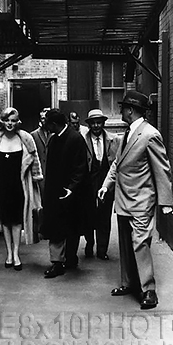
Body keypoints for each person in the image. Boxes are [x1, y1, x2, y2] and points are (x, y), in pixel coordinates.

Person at [98, 91, 173, 310]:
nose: (120, 111)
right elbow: (117, 164)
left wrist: (165, 201)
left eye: (122, 108)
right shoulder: (127, 133)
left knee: (140, 244)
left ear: (130, 110)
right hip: (123, 200)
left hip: (141, 200)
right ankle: (129, 283)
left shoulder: (150, 135)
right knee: (124, 245)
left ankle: (149, 290)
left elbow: (162, 168)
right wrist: (105, 186)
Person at [0, 107, 43, 271]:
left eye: (13, 121)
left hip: (20, 186)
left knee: (17, 220)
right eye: (7, 120)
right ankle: (8, 253)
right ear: (2, 121)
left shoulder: (26, 139)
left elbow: (35, 161)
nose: (10, 124)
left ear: (17, 122)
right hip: (0, 186)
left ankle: (16, 253)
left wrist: (36, 179)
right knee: (5, 220)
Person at [40, 109, 88, 278]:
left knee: (72, 228)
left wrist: (72, 188)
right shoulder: (54, 140)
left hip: (71, 194)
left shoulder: (75, 139)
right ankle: (57, 262)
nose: (44, 125)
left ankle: (70, 258)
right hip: (55, 193)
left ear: (54, 124)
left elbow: (81, 167)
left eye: (47, 122)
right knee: (56, 229)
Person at [81, 108, 119, 260]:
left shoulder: (114, 139)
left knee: (104, 217)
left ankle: (102, 249)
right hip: (88, 183)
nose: (96, 126)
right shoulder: (82, 140)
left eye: (99, 123)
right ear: (89, 125)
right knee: (88, 215)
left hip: (106, 181)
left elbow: (117, 162)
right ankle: (89, 243)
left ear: (103, 123)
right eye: (93, 123)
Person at [30, 107, 52, 193]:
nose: (44, 120)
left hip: (53, 173)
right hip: (40, 173)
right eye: (42, 118)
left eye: (46, 118)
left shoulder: (56, 134)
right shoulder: (33, 135)